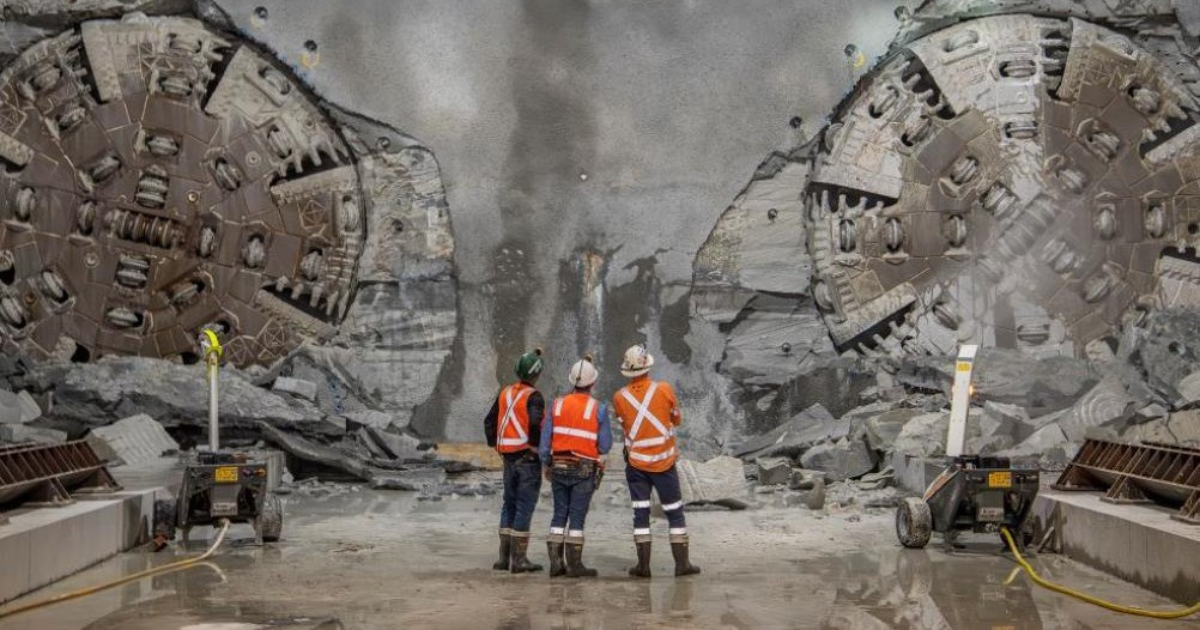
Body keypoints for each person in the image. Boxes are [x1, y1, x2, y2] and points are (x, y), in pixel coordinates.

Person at [612, 344, 700, 578]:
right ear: (647, 366)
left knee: (640, 513)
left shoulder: (619, 397)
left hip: (637, 465)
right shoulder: (664, 389)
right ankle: (682, 564)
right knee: (674, 512)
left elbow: (624, 425)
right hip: (664, 463)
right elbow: (676, 419)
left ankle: (643, 566)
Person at [539, 355, 612, 578]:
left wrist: (546, 463)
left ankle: (556, 564)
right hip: (584, 469)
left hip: (558, 466)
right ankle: (575, 565)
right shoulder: (598, 409)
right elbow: (605, 444)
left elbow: (545, 443)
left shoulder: (557, 405)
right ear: (592, 383)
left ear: (572, 381)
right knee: (577, 516)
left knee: (559, 513)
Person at [484, 348, 546, 573]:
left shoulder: (505, 393)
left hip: (508, 458)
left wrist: (495, 444)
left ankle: (503, 559)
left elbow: (488, 421)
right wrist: (536, 446)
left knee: (508, 505)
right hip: (527, 458)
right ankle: (519, 560)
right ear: (536, 374)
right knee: (524, 506)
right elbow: (536, 423)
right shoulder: (534, 396)